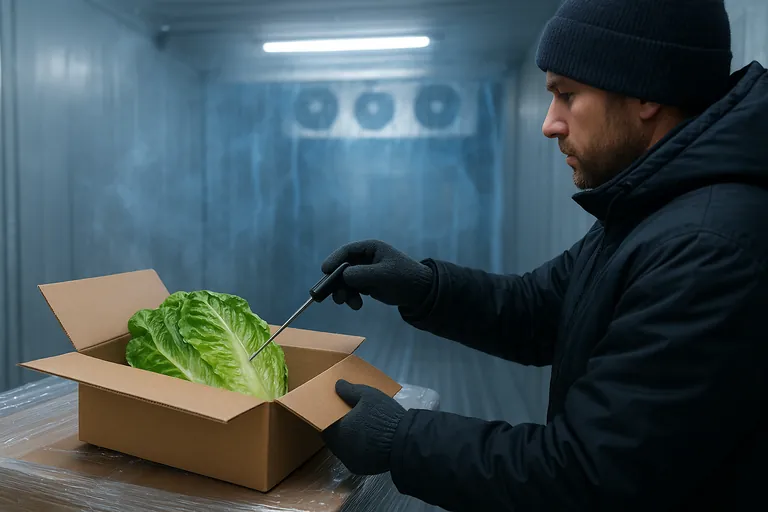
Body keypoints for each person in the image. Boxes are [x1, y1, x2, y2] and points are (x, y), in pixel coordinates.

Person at [318, 0, 768, 510]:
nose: (549, 124)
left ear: (646, 93)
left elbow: (588, 476)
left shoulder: (707, 246)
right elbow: (541, 309)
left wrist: (404, 440)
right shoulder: (654, 209)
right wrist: (424, 286)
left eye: (567, 95)